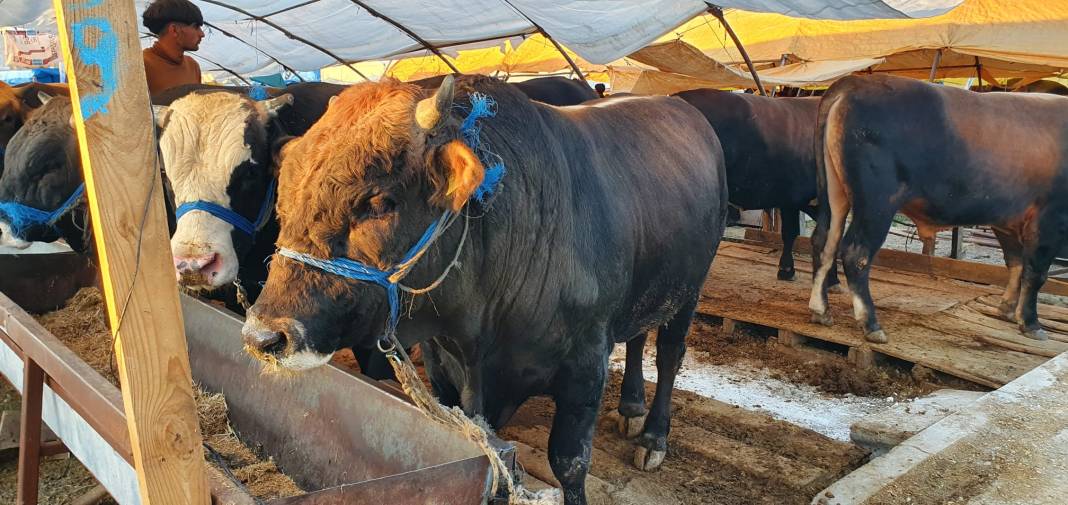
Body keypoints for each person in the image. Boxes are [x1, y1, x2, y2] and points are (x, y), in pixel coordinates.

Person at [141, 0, 205, 95]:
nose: (202, 34)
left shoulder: (192, 66)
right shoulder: (141, 65)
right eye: (195, 27)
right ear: (174, 30)